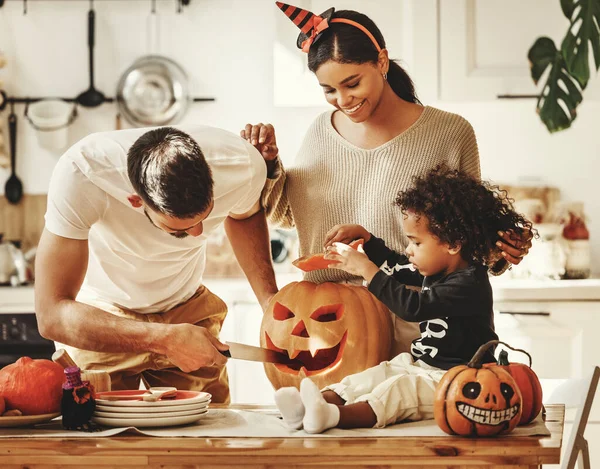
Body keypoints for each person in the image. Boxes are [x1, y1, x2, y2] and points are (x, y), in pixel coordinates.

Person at [242, 3, 531, 355]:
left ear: (381, 61)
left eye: (352, 83)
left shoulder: (449, 133)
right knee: (322, 411)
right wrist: (269, 165)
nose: (343, 100)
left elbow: (464, 238)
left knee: (400, 404)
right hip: (321, 313)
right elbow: (287, 215)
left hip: (412, 319)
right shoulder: (320, 130)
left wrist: (503, 247)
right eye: (328, 90)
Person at [274, 167, 533, 433]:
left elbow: (413, 307)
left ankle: (333, 416)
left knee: (400, 391)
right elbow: (396, 267)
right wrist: (368, 241)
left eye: (416, 243)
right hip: (422, 366)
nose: (408, 250)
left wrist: (366, 269)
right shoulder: (435, 269)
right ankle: (310, 406)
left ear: (454, 244)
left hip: (457, 379)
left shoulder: (468, 283)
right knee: (379, 373)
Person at [34, 125, 278, 403]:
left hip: (188, 311)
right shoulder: (81, 174)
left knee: (210, 435)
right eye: (180, 230)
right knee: (102, 439)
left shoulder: (242, 165)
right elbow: (52, 315)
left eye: (205, 217)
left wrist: (269, 302)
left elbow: (244, 216)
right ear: (136, 202)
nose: (198, 233)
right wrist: (164, 339)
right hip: (102, 317)